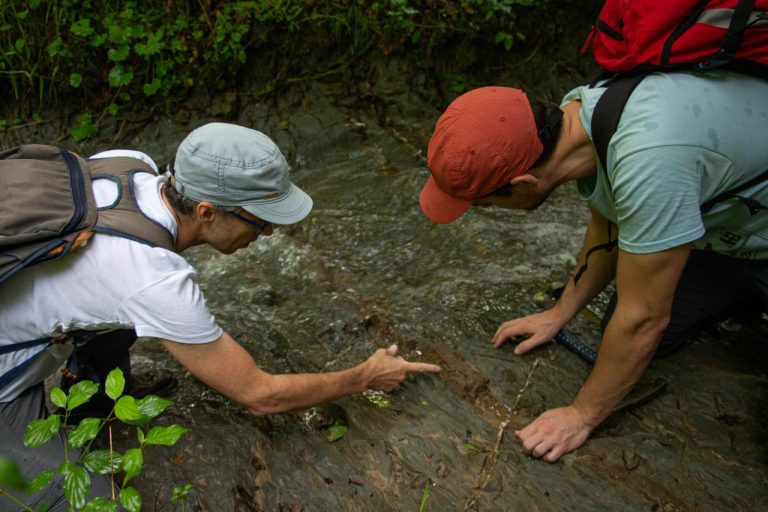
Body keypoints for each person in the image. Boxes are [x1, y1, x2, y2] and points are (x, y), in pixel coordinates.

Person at [0, 122, 441, 509]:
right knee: (94, 506)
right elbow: (259, 395)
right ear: (207, 213)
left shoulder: (128, 165)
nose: (269, 233)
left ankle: (91, 402)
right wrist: (362, 377)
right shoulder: (153, 280)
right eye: (261, 221)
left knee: (116, 312)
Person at [418, 71, 768, 462]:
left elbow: (644, 319)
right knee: (621, 342)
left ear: (523, 182)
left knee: (637, 330)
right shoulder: (583, 113)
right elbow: (609, 219)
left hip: (750, 237)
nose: (488, 213)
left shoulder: (648, 161)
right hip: (728, 234)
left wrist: (582, 414)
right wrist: (559, 313)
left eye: (484, 204)